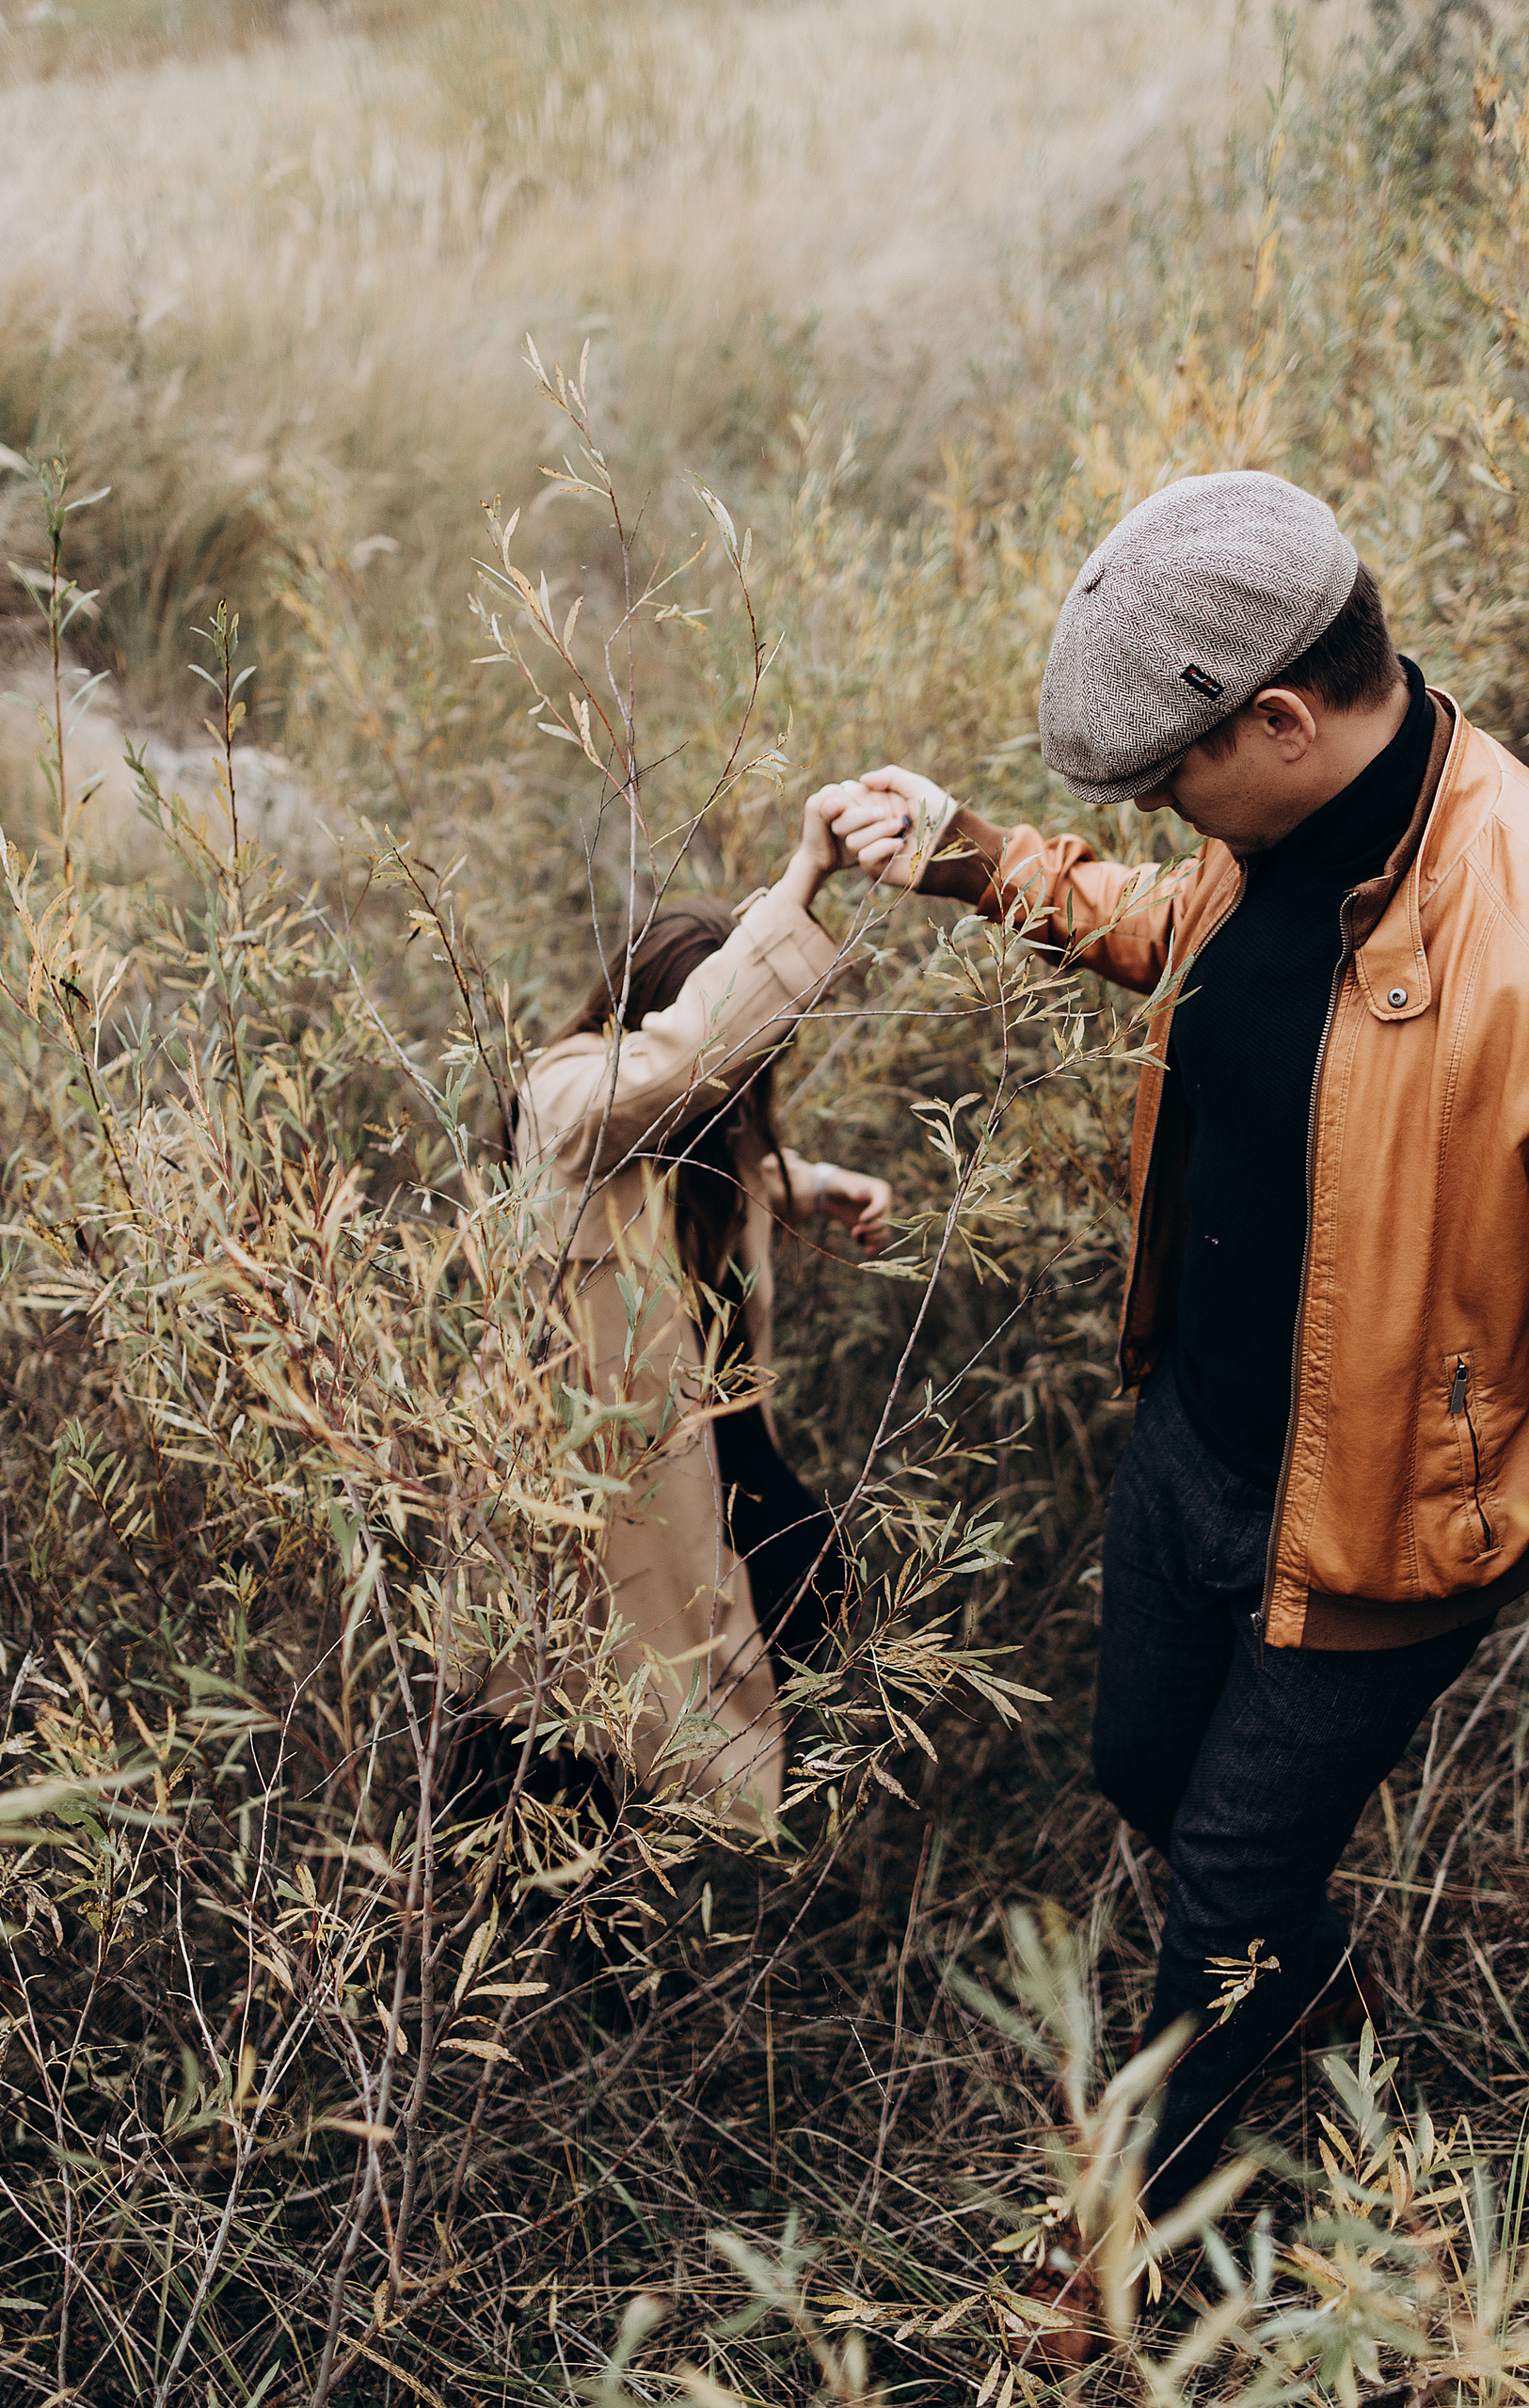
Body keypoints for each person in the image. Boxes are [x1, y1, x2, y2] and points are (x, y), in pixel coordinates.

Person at [824, 469, 1529, 2213]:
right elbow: (1180, 934)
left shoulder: (1513, 913)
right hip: (1197, 1445)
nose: (1160, 809)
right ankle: (1310, 1984)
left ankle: (1133, 2240)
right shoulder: (1271, 835)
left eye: (1167, 775)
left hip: (1380, 1522)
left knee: (1218, 1887)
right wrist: (972, 855)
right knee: (1140, 1769)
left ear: (1279, 716)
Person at [506, 790, 889, 1826]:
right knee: (561, 1739)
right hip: (607, 1482)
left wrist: (816, 1184)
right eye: (736, 1058)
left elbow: (714, 1167)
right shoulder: (564, 1100)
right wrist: (805, 875)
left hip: (719, 1450)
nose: (743, 1085)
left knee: (806, 1588)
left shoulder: (714, 1133)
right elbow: (666, 1083)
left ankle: (723, 1827)